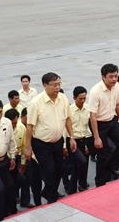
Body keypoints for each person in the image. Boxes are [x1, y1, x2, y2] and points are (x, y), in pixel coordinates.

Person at [24, 72, 76, 203]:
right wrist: (28, 147)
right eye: (54, 85)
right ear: (44, 85)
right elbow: (30, 126)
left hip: (58, 141)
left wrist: (72, 137)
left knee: (60, 169)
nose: (57, 87)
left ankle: (47, 191)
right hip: (41, 144)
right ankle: (52, 198)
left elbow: (68, 118)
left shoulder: (63, 98)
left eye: (59, 84)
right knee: (49, 171)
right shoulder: (36, 103)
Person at [88, 64, 119, 187]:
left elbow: (118, 105)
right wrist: (96, 137)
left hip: (112, 120)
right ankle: (100, 181)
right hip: (98, 122)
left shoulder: (116, 85)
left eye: (116, 76)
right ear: (103, 77)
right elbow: (92, 115)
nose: (114, 79)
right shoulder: (95, 91)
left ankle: (111, 168)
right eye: (111, 77)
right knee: (103, 153)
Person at [4, 109, 33, 209]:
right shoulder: (2, 130)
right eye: (12, 123)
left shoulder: (21, 127)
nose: (14, 125)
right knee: (10, 183)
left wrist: (23, 162)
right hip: (6, 159)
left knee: (25, 179)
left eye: (15, 122)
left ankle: (25, 201)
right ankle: (11, 203)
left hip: (18, 156)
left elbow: (25, 145)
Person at [66, 86, 92, 194]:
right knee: (80, 162)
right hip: (72, 140)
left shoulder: (88, 108)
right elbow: (65, 129)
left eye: (84, 98)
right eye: (80, 99)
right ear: (74, 98)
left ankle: (82, 184)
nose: (82, 101)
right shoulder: (69, 111)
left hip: (85, 138)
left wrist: (87, 143)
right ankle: (72, 188)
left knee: (84, 163)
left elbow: (88, 126)